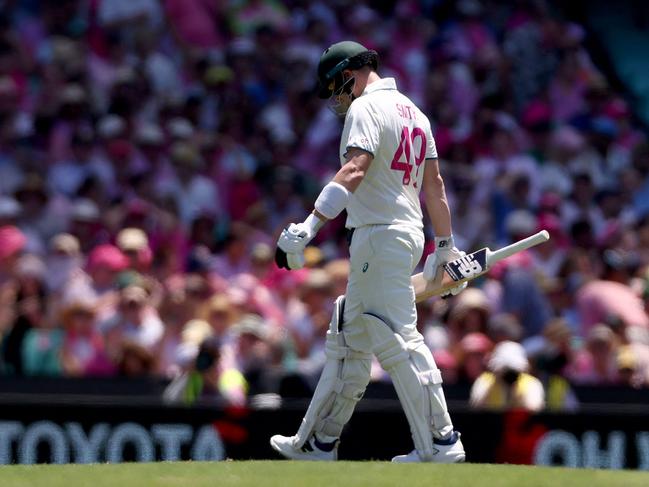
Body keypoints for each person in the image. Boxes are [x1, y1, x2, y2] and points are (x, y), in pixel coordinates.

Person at [270, 41, 466, 463]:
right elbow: (435, 187)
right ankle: (319, 443)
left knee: (397, 337)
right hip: (401, 233)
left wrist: (308, 226)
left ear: (348, 72)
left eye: (334, 87)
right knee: (350, 338)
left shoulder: (365, 108)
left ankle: (442, 441)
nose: (335, 99)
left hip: (379, 235)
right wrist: (445, 247)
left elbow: (354, 169)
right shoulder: (415, 112)